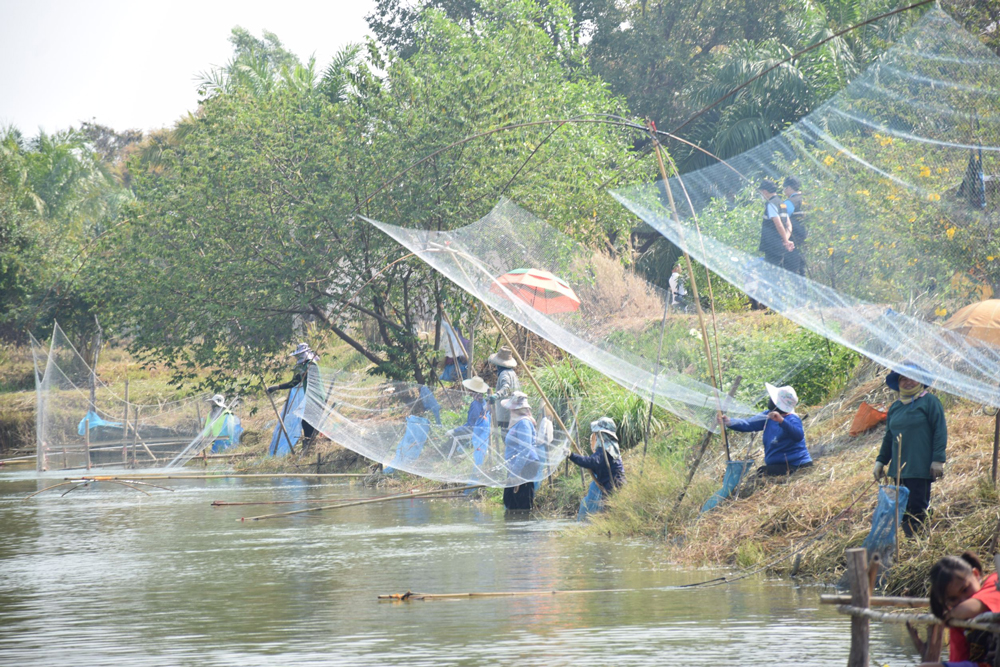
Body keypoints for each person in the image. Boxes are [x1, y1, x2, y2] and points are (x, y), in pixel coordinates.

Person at [874, 362, 946, 536]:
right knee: (903, 508)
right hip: (899, 470)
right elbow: (889, 437)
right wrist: (880, 461)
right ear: (898, 383)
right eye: (903, 379)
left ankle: (920, 543)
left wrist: (938, 459)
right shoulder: (896, 407)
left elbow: (940, 431)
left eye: (912, 378)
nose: (908, 382)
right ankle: (909, 540)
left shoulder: (929, 401)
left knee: (918, 506)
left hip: (920, 466)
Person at [918, 552, 1000, 667]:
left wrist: (950, 614)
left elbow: (976, 606)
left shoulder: (995, 581)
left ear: (976, 574)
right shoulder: (957, 617)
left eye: (965, 589)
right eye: (953, 599)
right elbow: (958, 660)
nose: (963, 600)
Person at [720, 382, 812, 476]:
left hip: (796, 465)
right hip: (778, 465)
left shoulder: (792, 419)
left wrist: (781, 421)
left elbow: (798, 436)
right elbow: (748, 424)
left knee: (761, 472)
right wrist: (729, 422)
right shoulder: (768, 415)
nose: (770, 400)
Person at [567, 417, 626, 521]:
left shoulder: (605, 448)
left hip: (613, 486)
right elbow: (600, 467)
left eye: (598, 435)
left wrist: (572, 456)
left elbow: (592, 462)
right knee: (613, 515)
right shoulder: (612, 446)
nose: (597, 437)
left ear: (602, 435)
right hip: (617, 484)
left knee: (610, 516)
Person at [267, 342, 321, 453]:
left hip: (316, 398)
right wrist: (276, 387)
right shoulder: (303, 367)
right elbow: (293, 383)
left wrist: (305, 373)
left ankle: (310, 446)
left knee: (309, 422)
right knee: (305, 422)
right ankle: (308, 446)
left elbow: (314, 381)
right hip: (310, 398)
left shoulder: (312, 365)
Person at [501, 392, 539, 511]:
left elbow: (525, 449)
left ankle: (523, 528)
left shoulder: (524, 423)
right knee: (509, 501)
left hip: (525, 466)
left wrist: (515, 474)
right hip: (516, 467)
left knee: (521, 503)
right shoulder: (517, 423)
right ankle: (514, 528)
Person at [446, 376, 491, 470]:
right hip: (482, 431)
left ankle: (447, 463)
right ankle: (462, 454)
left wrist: (454, 430)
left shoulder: (475, 404)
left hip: (476, 432)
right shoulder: (483, 401)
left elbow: (471, 425)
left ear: (471, 390)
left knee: (454, 438)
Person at [383, 397, 431, 475]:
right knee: (403, 451)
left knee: (408, 451)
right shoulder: (414, 426)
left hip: (411, 449)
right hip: (406, 448)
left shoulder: (420, 425)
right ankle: (397, 469)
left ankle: (400, 469)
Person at [757, 179, 794, 268]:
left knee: (771, 271)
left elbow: (779, 224)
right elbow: (789, 225)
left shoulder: (771, 204)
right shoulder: (782, 203)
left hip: (772, 245)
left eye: (761, 192)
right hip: (780, 245)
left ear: (765, 192)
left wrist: (785, 240)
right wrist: (786, 240)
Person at [487, 346, 521, 434]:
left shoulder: (504, 374)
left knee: (506, 435)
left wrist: (496, 395)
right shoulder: (512, 373)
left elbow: (506, 388)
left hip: (506, 413)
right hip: (514, 410)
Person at [783, 176, 807, 276]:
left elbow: (781, 220)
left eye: (784, 188)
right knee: (802, 271)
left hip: (793, 242)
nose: (784, 191)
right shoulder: (808, 200)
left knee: (791, 272)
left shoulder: (789, 203)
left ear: (788, 187)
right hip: (806, 241)